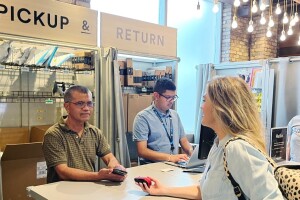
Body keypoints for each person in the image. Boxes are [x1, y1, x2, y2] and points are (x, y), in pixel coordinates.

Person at [136, 76, 284, 199]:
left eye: (205, 100)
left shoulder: (238, 148)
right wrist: (162, 190)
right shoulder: (218, 145)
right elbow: (204, 191)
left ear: (222, 107)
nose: (201, 106)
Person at [43, 85, 127, 183]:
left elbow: (109, 157)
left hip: (89, 189)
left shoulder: (94, 132)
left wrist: (114, 167)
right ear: (67, 106)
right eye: (80, 103)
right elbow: (63, 172)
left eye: (89, 103)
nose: (86, 108)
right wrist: (99, 176)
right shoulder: (54, 134)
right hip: (62, 193)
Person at [133, 78, 193, 164]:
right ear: (156, 96)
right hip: (153, 167)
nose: (172, 101)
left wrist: (192, 153)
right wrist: (170, 157)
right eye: (168, 97)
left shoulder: (175, 115)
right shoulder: (142, 118)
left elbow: (183, 141)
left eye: (174, 97)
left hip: (173, 166)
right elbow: (142, 151)